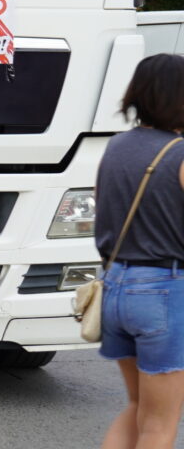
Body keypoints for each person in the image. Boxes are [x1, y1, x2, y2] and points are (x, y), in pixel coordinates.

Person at [97, 53, 184, 449]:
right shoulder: (179, 153)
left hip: (115, 286)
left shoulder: (116, 147)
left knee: (136, 407)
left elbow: (105, 212)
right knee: (160, 426)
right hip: (163, 290)